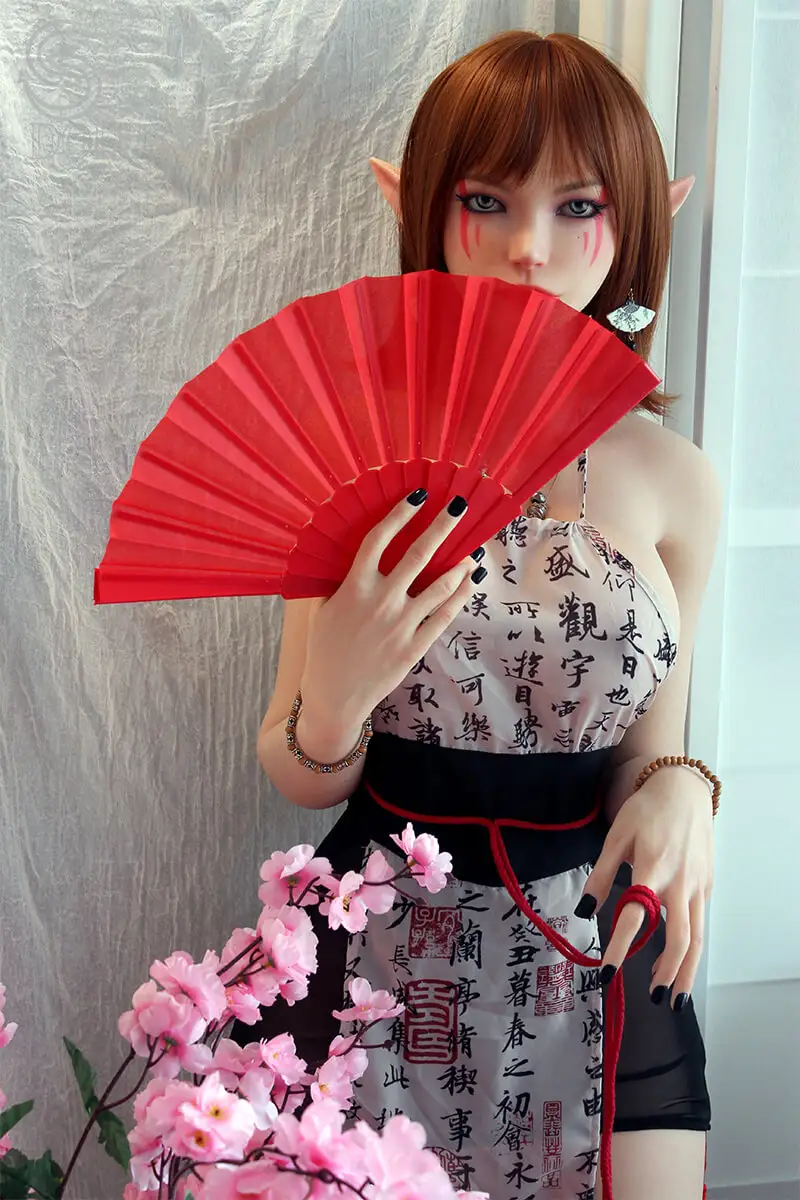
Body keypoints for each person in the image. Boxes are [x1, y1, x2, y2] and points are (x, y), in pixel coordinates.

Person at [229, 29, 721, 1200]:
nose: (526, 248)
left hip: (593, 945)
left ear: (645, 216)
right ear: (415, 205)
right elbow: (298, 765)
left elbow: (651, 755)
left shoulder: (673, 481)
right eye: (485, 201)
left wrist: (685, 792)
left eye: (577, 206)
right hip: (382, 942)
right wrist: (335, 692)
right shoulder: (350, 451)